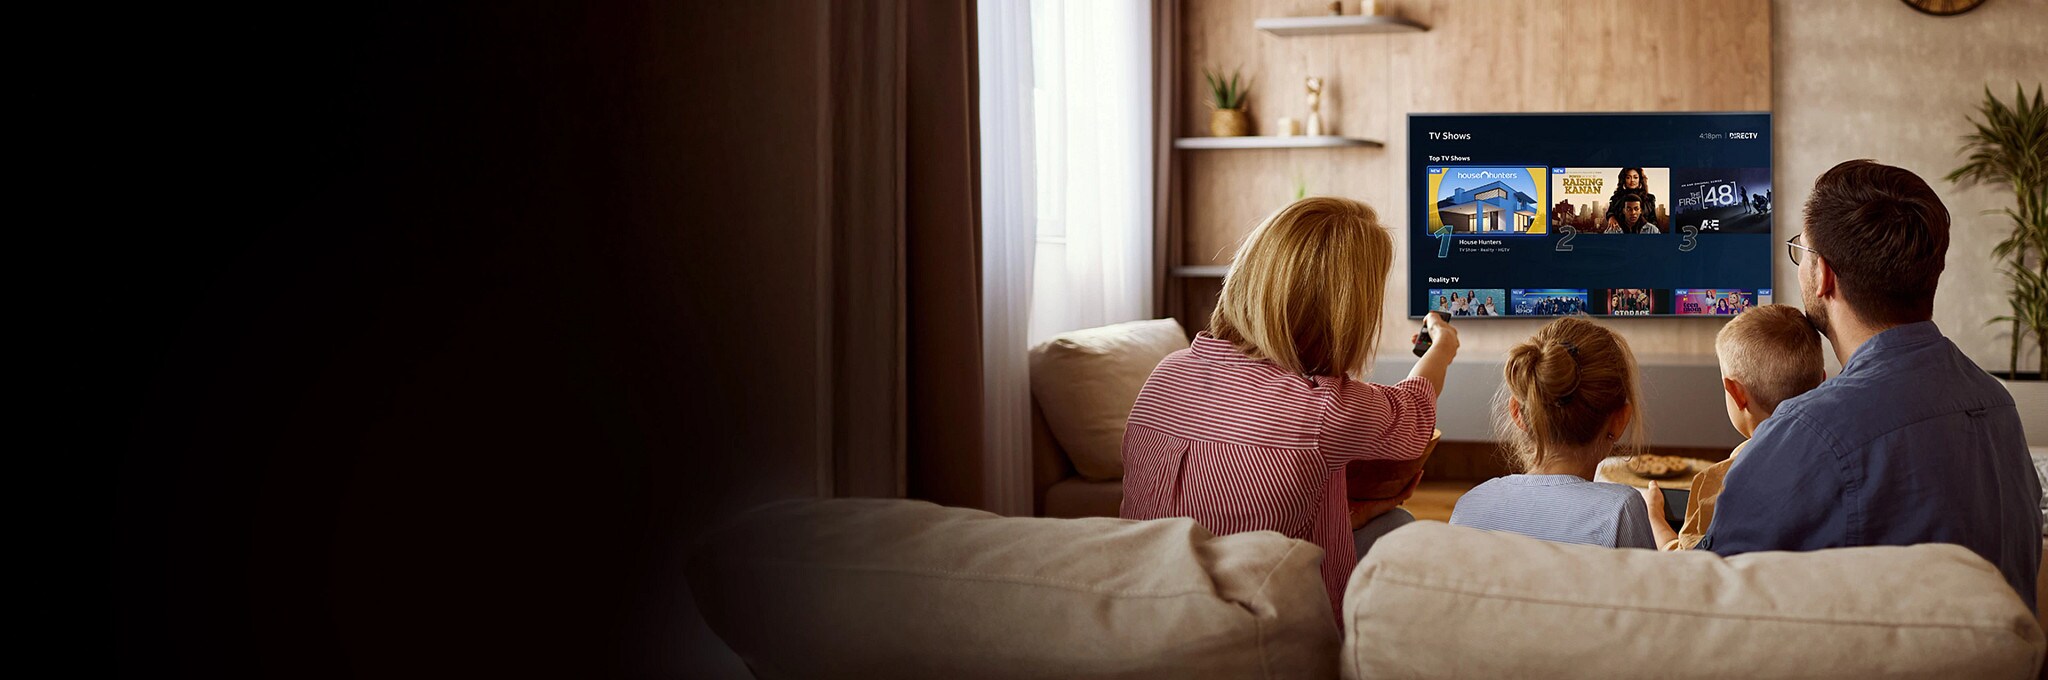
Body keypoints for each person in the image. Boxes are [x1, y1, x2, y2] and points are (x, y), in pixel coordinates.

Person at [1699, 160, 2041, 609]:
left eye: (1802, 251)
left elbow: (1705, 595)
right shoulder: (1997, 403)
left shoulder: (1808, 430)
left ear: (1823, 275)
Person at [1120, 196, 1460, 617]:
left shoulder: (1168, 372)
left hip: (1145, 602)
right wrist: (1441, 348)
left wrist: (1345, 518)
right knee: (1398, 528)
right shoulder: (1325, 406)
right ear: (1346, 314)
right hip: (1255, 622)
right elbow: (1415, 412)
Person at [1449, 317, 1655, 548]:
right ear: (1620, 421)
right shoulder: (1621, 510)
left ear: (1517, 413)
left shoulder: (1469, 507)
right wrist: (1662, 532)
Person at [1640, 305, 1825, 550]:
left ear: (1736, 393)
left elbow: (1689, 562)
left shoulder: (1720, 483)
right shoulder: (1831, 462)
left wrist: (1655, 518)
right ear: (1822, 382)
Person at [1604, 167, 1660, 233]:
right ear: (1624, 179)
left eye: (1635, 177)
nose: (1632, 180)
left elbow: (1653, 219)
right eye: (1628, 177)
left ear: (1640, 179)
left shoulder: (1649, 198)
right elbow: (1610, 212)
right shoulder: (1616, 198)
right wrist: (1611, 218)